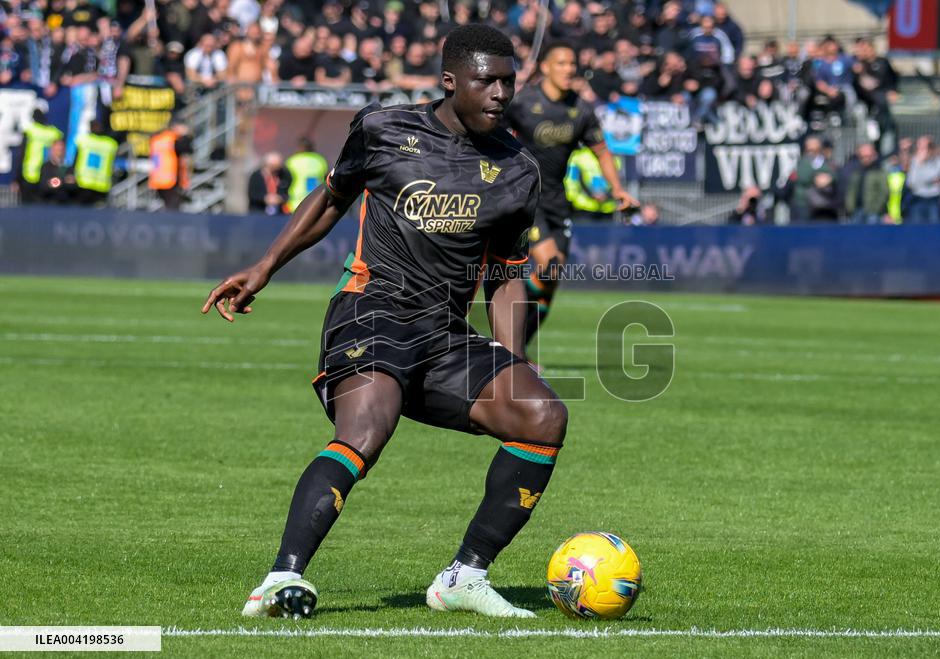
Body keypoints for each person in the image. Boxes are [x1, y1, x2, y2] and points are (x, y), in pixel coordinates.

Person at [202, 24, 565, 620]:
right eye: (486, 81)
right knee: (366, 432)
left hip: (446, 332)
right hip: (371, 311)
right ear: (450, 82)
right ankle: (279, 579)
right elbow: (329, 201)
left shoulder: (518, 168)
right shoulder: (384, 128)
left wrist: (512, 357)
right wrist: (265, 266)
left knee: (543, 416)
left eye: (508, 81)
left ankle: (465, 577)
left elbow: (505, 272)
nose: (500, 93)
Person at [505, 39, 639, 347]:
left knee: (552, 281)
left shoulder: (580, 108)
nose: (568, 69)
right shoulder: (524, 102)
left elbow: (602, 151)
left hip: (556, 199)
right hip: (525, 197)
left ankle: (517, 349)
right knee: (548, 265)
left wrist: (618, 189)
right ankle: (506, 339)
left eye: (572, 64)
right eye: (562, 63)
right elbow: (491, 134)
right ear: (546, 67)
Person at [148, 120, 192, 210]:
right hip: (170, 181)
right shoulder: (173, 140)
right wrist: (186, 135)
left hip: (158, 180)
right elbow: (186, 148)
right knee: (172, 211)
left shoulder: (158, 139)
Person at [905, 135, 940, 223]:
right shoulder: (915, 161)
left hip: (934, 199)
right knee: (917, 231)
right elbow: (911, 182)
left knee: (934, 230)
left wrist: (921, 179)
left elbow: (935, 175)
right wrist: (919, 164)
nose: (923, 150)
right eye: (920, 146)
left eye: (926, 147)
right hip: (917, 199)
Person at [844, 143, 888, 225]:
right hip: (856, 212)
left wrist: (875, 209)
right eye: (862, 157)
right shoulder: (856, 173)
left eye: (868, 156)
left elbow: (884, 192)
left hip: (873, 213)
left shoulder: (880, 173)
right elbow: (851, 192)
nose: (866, 159)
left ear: (874, 155)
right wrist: (850, 207)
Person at [284, 138, 328, 213]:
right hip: (315, 200)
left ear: (299, 147)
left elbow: (285, 180)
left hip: (295, 202)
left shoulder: (292, 161)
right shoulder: (320, 160)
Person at [38, 139, 77, 204]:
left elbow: (73, 186)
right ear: (51, 151)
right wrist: (64, 181)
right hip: (48, 204)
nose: (59, 153)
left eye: (61, 150)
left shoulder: (68, 168)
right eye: (56, 150)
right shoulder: (45, 167)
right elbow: (44, 187)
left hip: (65, 205)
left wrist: (55, 182)